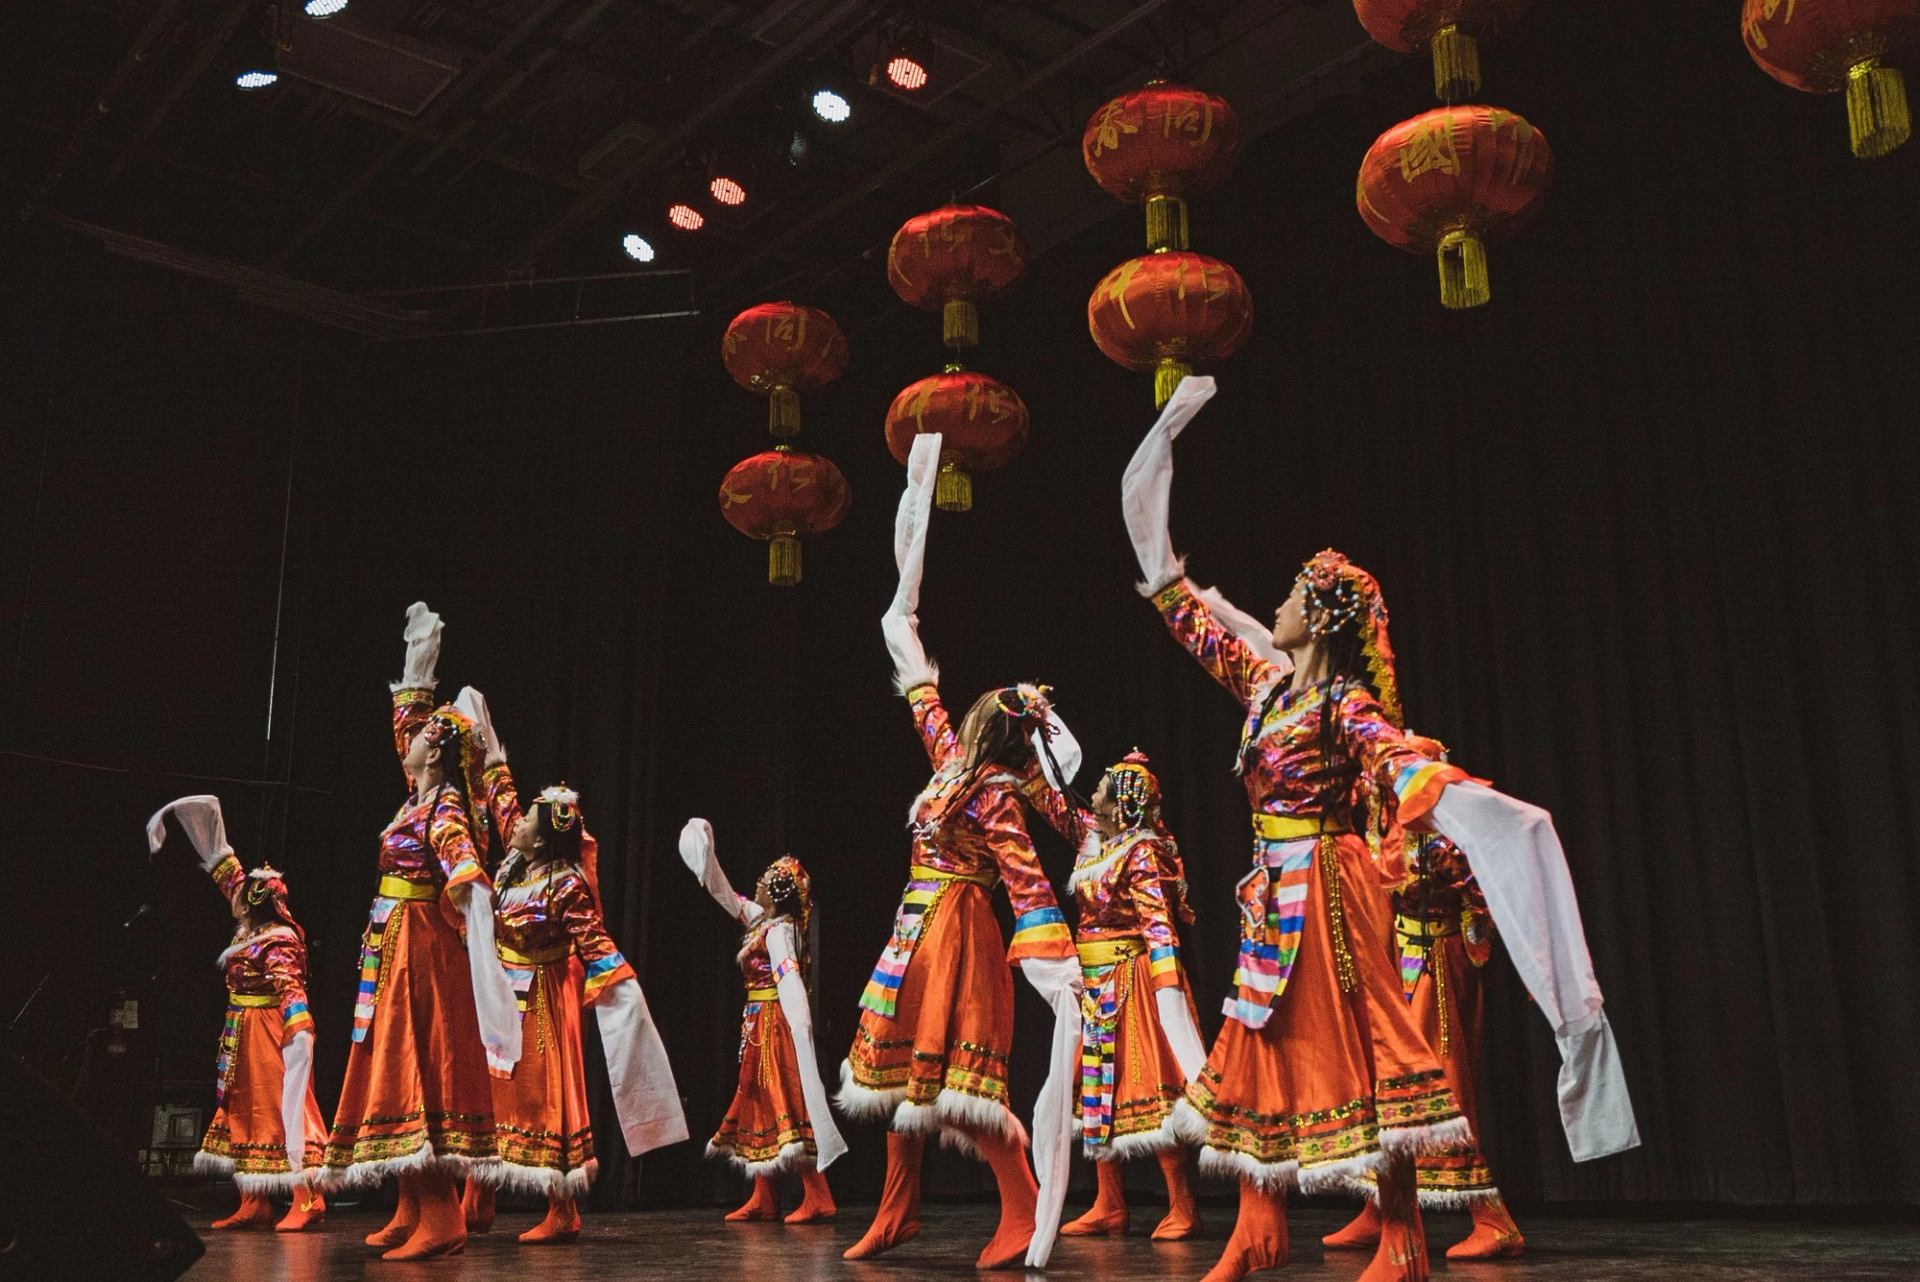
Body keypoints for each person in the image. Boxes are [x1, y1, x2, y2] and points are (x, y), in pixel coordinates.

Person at [1119, 378, 1638, 1282]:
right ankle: (1257, 1227)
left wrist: (1454, 796)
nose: (1275, 608)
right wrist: (1160, 462)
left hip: (1331, 886)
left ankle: (1402, 1237)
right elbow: (1182, 611)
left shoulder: (1342, 702)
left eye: (1291, 597)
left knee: (1371, 1052)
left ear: (1320, 618)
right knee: (1258, 1044)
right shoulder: (1266, 688)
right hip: (1273, 894)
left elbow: (1394, 757)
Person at [836, 433, 1084, 1270]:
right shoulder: (953, 764)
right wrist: (906, 582)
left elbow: (1025, 876)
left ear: (1000, 732)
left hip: (961, 933)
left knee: (958, 1083)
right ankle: (895, 1210)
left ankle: (1022, 1207)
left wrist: (1052, 957)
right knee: (897, 1074)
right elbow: (918, 683)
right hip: (918, 925)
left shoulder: (996, 791)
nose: (973, 706)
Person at [320, 604, 523, 1261]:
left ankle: (441, 1214)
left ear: (433, 751)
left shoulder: (444, 806)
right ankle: (411, 1206)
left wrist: (467, 885)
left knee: (418, 1070)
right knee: (392, 1063)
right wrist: (417, 667)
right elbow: (409, 725)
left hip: (422, 948)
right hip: (396, 946)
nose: (404, 740)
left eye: (416, 736)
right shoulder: (419, 796)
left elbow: (462, 856)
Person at [451, 708, 689, 1244]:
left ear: (542, 839)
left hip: (543, 999)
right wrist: (488, 742)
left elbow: (595, 942)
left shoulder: (566, 886)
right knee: (487, 1091)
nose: (517, 823)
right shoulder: (516, 865)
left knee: (544, 1097)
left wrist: (622, 989)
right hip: (501, 995)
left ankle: (563, 1208)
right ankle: (477, 1195)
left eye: (528, 821)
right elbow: (501, 798)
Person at [1323, 747, 1524, 1259]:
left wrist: (1463, 946)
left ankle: (1493, 1218)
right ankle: (1381, 1209)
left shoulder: (1444, 839)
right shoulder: (1389, 831)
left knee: (1441, 1089)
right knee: (1387, 1086)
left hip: (1435, 965)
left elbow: (1483, 902)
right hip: (1399, 962)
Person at [1023, 751, 1209, 1242]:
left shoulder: (1142, 852)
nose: (1093, 794)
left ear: (1122, 804)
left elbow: (1159, 924)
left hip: (1132, 982)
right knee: (1094, 1088)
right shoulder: (1096, 840)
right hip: (1094, 983)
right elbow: (1053, 805)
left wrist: (1167, 989)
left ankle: (1183, 1205)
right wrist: (1030, 747)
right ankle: (1109, 1202)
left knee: (1151, 1089)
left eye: (1102, 789)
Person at [147, 795, 327, 1232]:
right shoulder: (251, 926)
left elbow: (290, 987)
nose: (233, 894)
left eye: (240, 894)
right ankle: (254, 1200)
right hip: (241, 1031)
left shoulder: (276, 938)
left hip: (268, 1033)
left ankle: (308, 1198)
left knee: (280, 1108)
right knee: (242, 1109)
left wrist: (299, 1028)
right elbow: (227, 872)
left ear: (249, 904)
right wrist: (192, 816)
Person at [680, 821, 843, 1224]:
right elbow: (725, 895)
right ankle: (764, 1194)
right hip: (757, 1023)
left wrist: (800, 1029)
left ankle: (818, 1194)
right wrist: (704, 852)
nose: (757, 884)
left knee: (785, 1099)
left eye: (766, 881)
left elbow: (789, 980)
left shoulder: (781, 931)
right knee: (757, 1099)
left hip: (774, 1023)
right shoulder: (763, 922)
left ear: (778, 893)